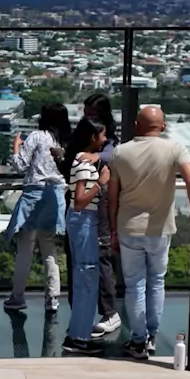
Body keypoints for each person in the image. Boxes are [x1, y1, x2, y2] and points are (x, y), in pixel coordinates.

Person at [108, 105, 190, 360]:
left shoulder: (121, 152)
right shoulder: (175, 149)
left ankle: (138, 341)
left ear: (136, 126)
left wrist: (112, 231)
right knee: (157, 282)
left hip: (129, 226)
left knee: (135, 285)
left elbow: (112, 197)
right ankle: (152, 336)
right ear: (162, 127)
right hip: (161, 228)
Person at [6, 102, 70, 315]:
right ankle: (52, 300)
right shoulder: (65, 141)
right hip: (56, 196)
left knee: (25, 249)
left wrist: (16, 146)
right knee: (50, 251)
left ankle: (17, 297)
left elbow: (20, 165)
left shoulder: (37, 136)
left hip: (34, 195)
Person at [61, 117, 110, 355]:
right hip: (83, 221)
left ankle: (79, 332)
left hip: (82, 222)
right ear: (93, 137)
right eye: (102, 135)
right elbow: (79, 202)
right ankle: (79, 337)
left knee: (85, 279)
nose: (105, 139)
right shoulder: (83, 164)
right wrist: (100, 184)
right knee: (87, 278)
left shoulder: (85, 161)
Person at [82, 93, 124, 338]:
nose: (88, 118)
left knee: (102, 255)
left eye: (92, 114)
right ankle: (92, 309)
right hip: (86, 200)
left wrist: (96, 157)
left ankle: (109, 312)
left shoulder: (107, 142)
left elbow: (113, 154)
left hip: (100, 200)